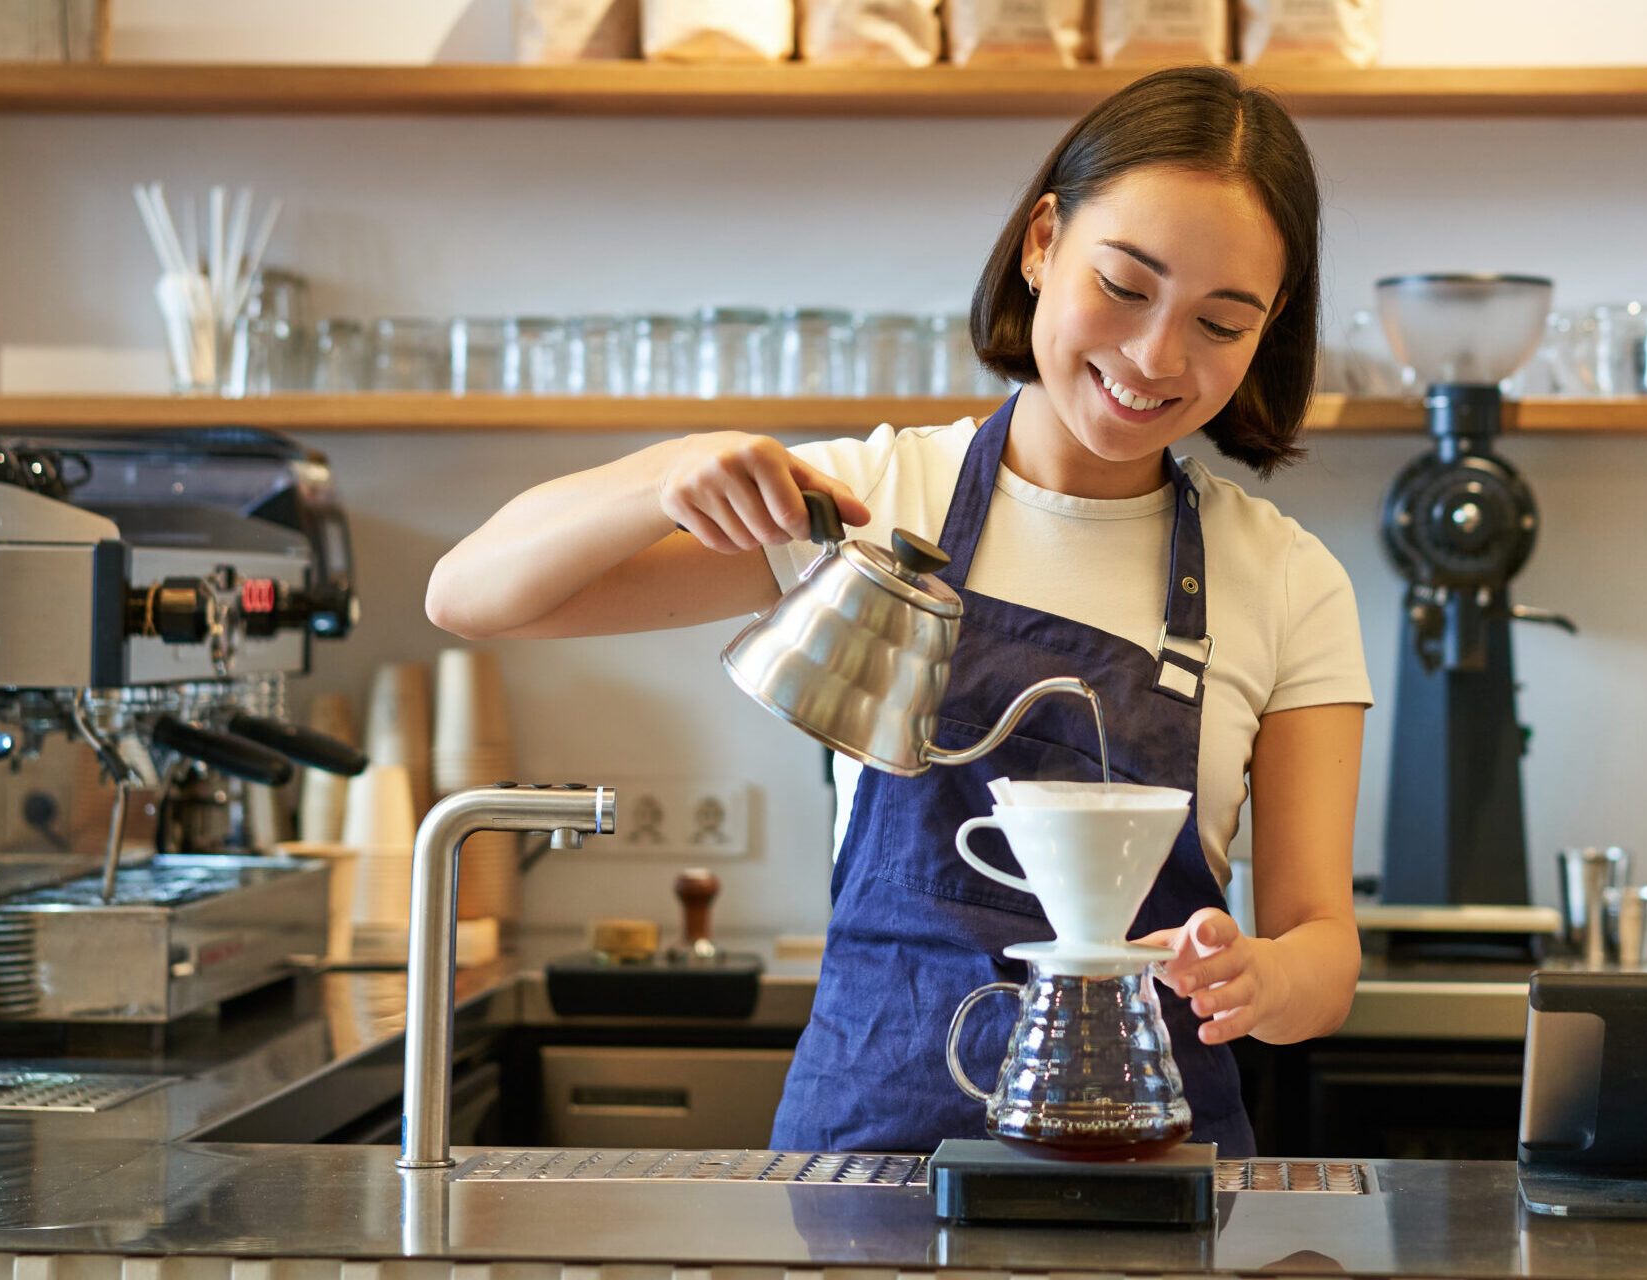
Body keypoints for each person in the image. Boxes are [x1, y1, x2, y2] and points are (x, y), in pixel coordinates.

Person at [427, 65, 1370, 1156]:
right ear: (1041, 242)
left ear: (1269, 329)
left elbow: (1325, 952)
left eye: (1220, 320)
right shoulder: (872, 506)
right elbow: (472, 595)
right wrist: (669, 469)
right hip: (865, 1164)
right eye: (1124, 285)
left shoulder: (1287, 579)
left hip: (1147, 1173)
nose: (1157, 356)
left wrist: (1261, 976)